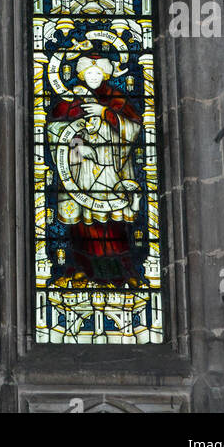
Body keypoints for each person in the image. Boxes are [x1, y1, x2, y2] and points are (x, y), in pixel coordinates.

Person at [47, 53, 143, 287]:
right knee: (82, 223)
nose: (92, 77)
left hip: (112, 167)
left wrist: (105, 113)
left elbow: (134, 128)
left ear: (105, 75)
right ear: (80, 75)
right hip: (82, 170)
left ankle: (121, 270)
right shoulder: (72, 99)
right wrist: (76, 144)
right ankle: (82, 268)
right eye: (88, 73)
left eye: (96, 73)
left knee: (113, 223)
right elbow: (56, 128)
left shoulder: (117, 99)